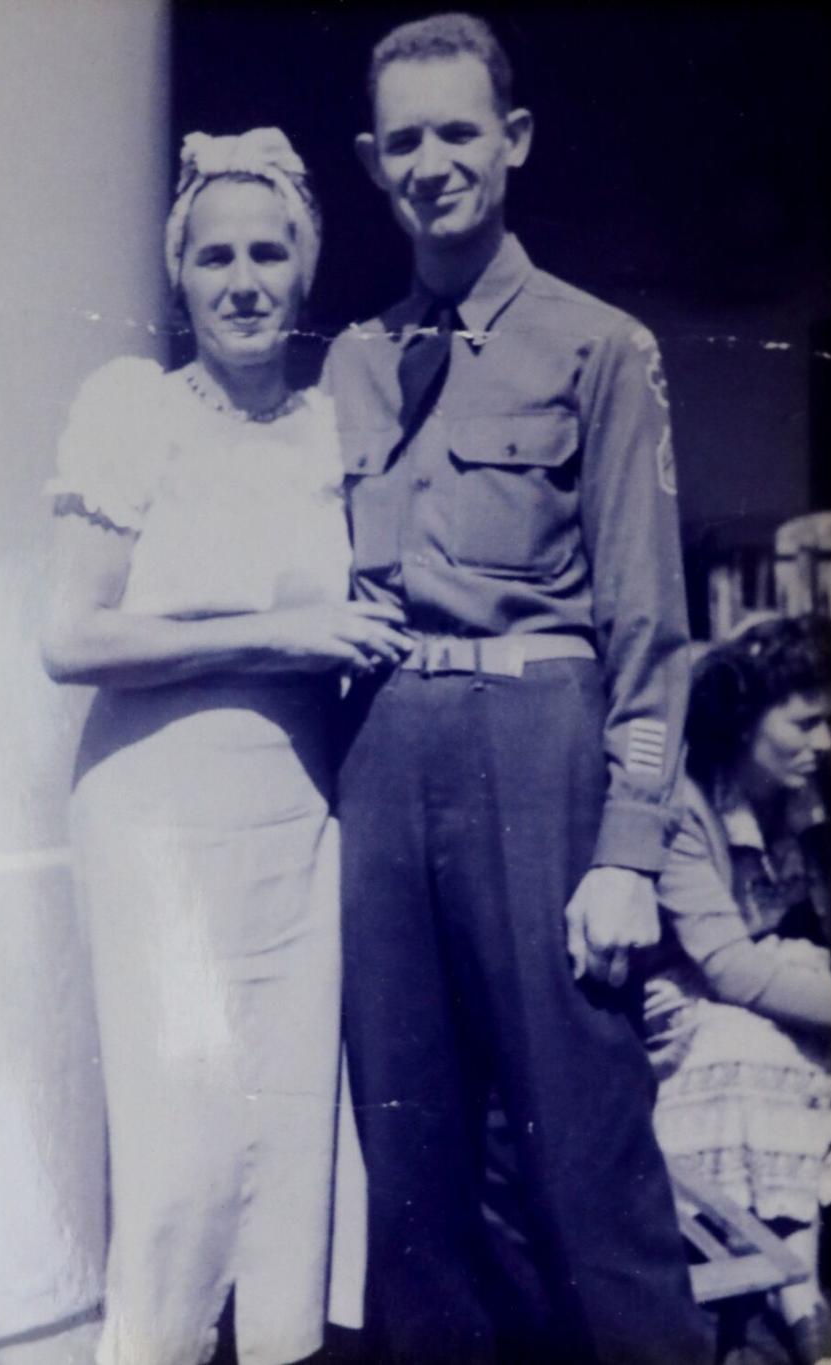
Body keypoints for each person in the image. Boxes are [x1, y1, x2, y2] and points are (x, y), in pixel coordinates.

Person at [323, 13, 713, 1364]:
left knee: (585, 1171)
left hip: (540, 759)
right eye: (408, 140)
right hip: (381, 765)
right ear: (376, 162)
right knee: (412, 1184)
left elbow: (653, 632)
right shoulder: (353, 362)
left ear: (515, 141)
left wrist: (628, 852)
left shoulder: (602, 348)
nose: (435, 162)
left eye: (461, 131)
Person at [41, 128, 406, 1365]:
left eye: (268, 253)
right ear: (178, 276)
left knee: (294, 1157)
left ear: (306, 267)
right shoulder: (131, 411)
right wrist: (278, 635)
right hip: (158, 823)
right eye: (213, 258)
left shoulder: (332, 428)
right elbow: (72, 638)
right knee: (186, 1166)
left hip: (297, 835)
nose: (242, 280)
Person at [644, 615, 831, 1365]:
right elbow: (728, 967)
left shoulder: (806, 798)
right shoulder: (690, 804)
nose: (824, 741)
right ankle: (801, 1302)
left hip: (763, 983)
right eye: (806, 722)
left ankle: (803, 1299)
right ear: (747, 719)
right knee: (761, 1045)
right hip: (683, 1000)